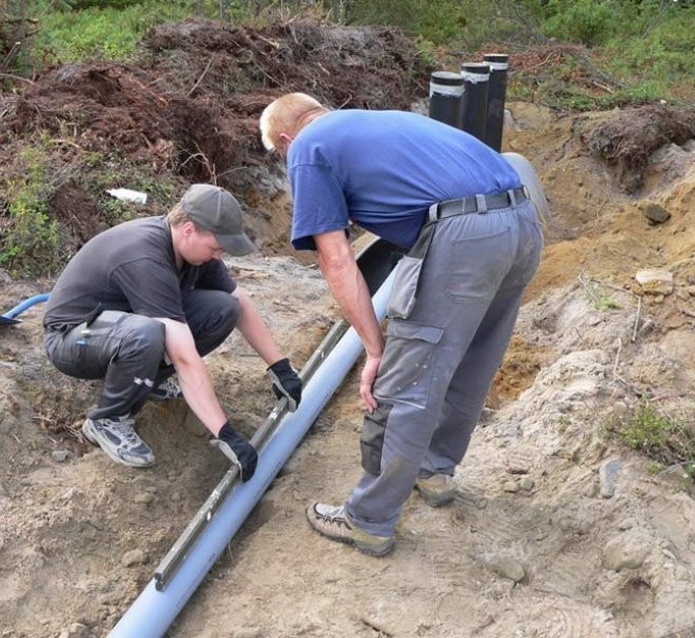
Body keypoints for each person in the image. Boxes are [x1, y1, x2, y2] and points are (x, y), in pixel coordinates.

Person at [259, 93, 544, 555]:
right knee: (471, 361)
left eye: (280, 154)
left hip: (464, 238)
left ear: (287, 138)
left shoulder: (307, 148)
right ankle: (434, 469)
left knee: (406, 381)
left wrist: (375, 350)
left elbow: (336, 260)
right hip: (522, 223)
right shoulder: (373, 125)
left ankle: (368, 519)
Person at [43, 183, 303, 478]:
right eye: (216, 247)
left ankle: (147, 381)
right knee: (146, 334)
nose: (218, 256)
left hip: (119, 326)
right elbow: (183, 356)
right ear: (190, 229)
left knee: (222, 309)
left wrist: (279, 366)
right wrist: (224, 432)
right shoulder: (145, 256)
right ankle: (107, 419)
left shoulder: (193, 251)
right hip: (73, 338)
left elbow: (238, 301)